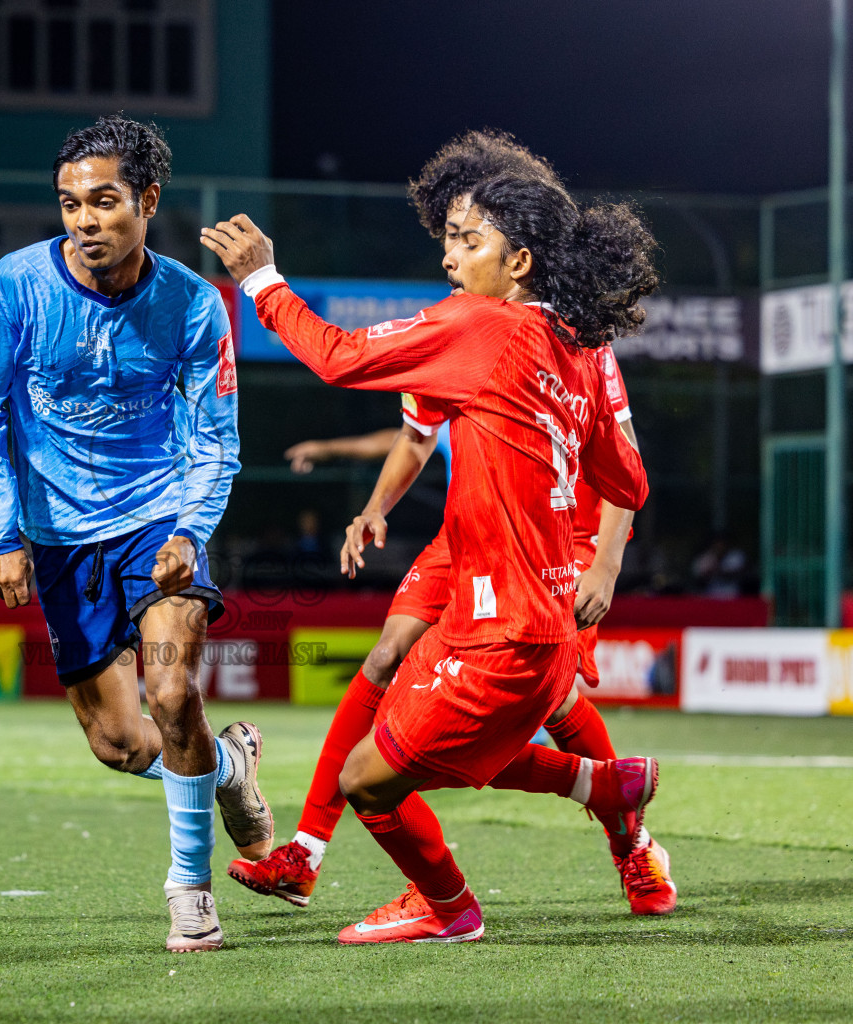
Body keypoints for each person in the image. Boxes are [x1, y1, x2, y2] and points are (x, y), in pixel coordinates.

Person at [203, 166, 659, 944]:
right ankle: (317, 855)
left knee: (374, 777)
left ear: (520, 260)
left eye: (468, 241)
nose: (449, 256)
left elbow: (340, 357)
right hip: (511, 584)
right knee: (404, 699)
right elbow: (629, 479)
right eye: (448, 238)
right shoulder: (573, 343)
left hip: (504, 619)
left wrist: (262, 281)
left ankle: (457, 899)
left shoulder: (480, 327)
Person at [0, 115, 269, 953]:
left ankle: (190, 891)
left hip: (159, 522)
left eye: (103, 202)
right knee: (122, 744)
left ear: (147, 200)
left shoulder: (193, 304)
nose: (85, 220)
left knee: (171, 691)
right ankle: (228, 768)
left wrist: (191, 530)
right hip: (59, 537)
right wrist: (1, 534)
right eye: (70, 205)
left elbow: (216, 439)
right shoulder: (16, 285)